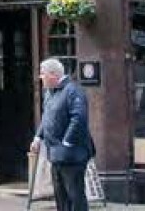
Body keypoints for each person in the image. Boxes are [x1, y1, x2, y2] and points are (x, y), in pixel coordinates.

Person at [32, 58, 93, 211]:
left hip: (72, 154)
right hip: (56, 154)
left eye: (42, 74)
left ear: (53, 75)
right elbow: (46, 118)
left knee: (75, 196)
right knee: (61, 197)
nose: (40, 77)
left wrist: (67, 142)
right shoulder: (49, 93)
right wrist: (38, 137)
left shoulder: (73, 91)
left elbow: (79, 118)